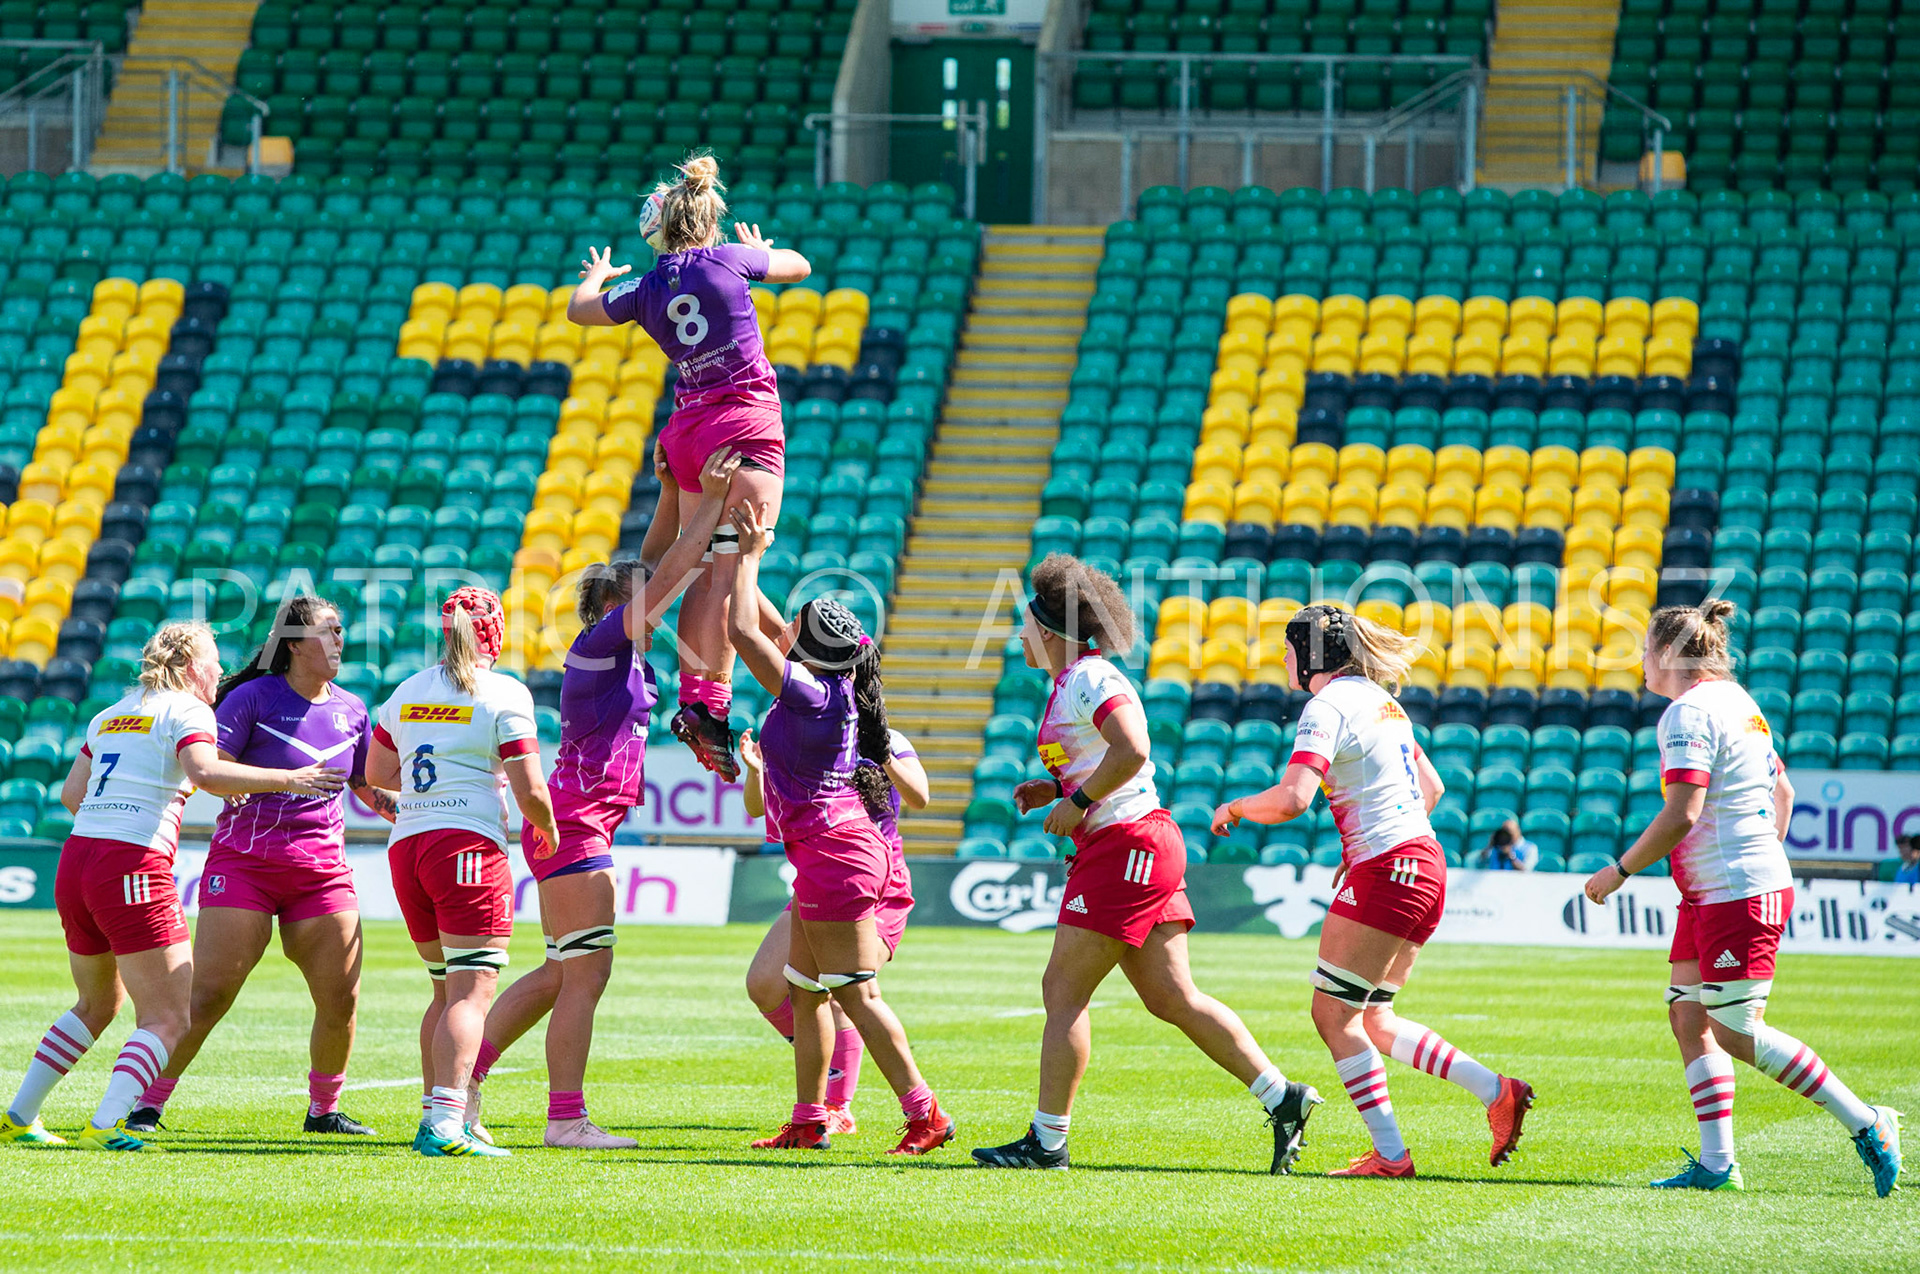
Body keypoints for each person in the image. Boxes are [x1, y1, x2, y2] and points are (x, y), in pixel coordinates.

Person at [973, 554, 1321, 1173]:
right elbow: (1105, 759)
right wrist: (1053, 791)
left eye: (1023, 623)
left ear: (1047, 629)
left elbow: (1134, 749)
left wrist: (1078, 801)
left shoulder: (1089, 678)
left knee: (1062, 989)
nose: (1017, 634)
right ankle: (1284, 1097)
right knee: (1172, 997)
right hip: (1137, 842)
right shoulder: (1071, 683)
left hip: (1126, 845)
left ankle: (1047, 1141)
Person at [465, 448, 741, 1150]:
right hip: (575, 825)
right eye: (645, 600)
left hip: (576, 823)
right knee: (587, 973)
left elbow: (654, 559)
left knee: (564, 971)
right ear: (618, 607)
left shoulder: (620, 649)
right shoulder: (599, 645)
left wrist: (672, 485)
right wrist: (711, 506)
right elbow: (673, 568)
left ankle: (462, 1083)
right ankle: (564, 1118)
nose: (664, 608)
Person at [1584, 600, 1902, 1197]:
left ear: (1671, 655)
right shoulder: (1741, 703)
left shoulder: (1687, 713)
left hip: (1733, 890)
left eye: (1647, 649)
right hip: (1720, 887)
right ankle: (1717, 1163)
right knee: (1687, 1013)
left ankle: (1866, 1120)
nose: (1641, 661)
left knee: (1735, 1030)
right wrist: (1760, 854)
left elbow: (1683, 813)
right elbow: (1783, 791)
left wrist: (1619, 871)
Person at [1212, 604, 1534, 1179]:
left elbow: (1292, 799)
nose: (1282, 658)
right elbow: (1431, 788)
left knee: (1333, 1014)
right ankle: (1496, 1092)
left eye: (1288, 648)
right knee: (1375, 1018)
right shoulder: (1386, 704)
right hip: (1424, 862)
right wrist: (1366, 849)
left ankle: (1391, 1155)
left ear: (1310, 656)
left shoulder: (1327, 704)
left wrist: (1234, 807)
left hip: (1390, 869)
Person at [0, 622, 345, 1150]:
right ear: (189, 667)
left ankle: (21, 1115)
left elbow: (74, 794)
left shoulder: (110, 713)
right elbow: (205, 772)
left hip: (78, 858)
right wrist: (288, 778)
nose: (221, 673)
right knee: (168, 1015)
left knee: (95, 1004)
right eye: (213, 663)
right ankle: (108, 1123)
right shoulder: (187, 709)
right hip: (132, 863)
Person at [569, 152, 812, 783]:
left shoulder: (643, 290)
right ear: (709, 221)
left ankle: (791, 660)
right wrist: (756, 251)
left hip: (685, 433)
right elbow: (799, 267)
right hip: (745, 426)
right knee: (727, 572)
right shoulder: (729, 259)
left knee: (715, 566)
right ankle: (708, 706)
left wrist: (595, 276)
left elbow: (579, 310)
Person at [725, 500, 953, 1155]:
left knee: (856, 994)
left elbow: (745, 634)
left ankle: (926, 1114)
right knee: (803, 991)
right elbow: (764, 624)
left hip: (838, 856)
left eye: (794, 630)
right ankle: (810, 1117)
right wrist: (728, 552)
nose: (783, 633)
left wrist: (748, 555)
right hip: (835, 853)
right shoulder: (831, 686)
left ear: (807, 651)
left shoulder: (812, 696)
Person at [124, 596, 396, 1137]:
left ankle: (324, 1111)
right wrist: (272, 781)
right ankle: (145, 1106)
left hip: (321, 871)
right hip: (244, 865)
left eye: (342, 630)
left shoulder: (353, 709)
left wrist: (400, 804)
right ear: (294, 644)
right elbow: (210, 768)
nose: (341, 639)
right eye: (329, 631)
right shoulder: (251, 698)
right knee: (208, 996)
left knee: (342, 997)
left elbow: (363, 785)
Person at [365, 587, 562, 1158]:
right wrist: (548, 829)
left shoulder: (407, 691)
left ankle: (437, 1115)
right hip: (468, 845)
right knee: (471, 994)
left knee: (442, 991)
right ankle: (447, 1124)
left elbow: (380, 774)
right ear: (492, 632)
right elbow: (530, 788)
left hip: (409, 846)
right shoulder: (503, 691)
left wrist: (424, 793)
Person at [742, 724, 929, 1134]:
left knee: (842, 988)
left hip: (875, 883)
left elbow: (920, 796)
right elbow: (758, 808)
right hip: (819, 876)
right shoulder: (802, 737)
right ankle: (828, 1079)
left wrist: (882, 753)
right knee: (765, 984)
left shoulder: (887, 738)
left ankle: (837, 1105)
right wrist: (756, 769)